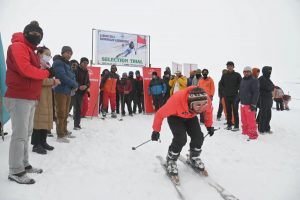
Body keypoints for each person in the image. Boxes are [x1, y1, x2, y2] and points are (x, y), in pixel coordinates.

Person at [4, 21, 54, 184]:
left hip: (30, 98)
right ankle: (15, 171)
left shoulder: (30, 50)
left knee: (26, 134)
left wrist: (45, 75)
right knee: (19, 135)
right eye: (33, 33)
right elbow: (25, 69)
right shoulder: (18, 46)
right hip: (19, 97)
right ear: (26, 33)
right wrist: (45, 73)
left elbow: (34, 73)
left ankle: (24, 164)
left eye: (39, 35)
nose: (36, 36)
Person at [151, 86, 214, 176]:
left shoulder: (205, 99)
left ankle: (194, 157)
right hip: (175, 117)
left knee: (198, 137)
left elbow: (208, 112)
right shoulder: (175, 102)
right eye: (198, 105)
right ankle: (171, 159)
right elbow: (159, 114)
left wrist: (209, 126)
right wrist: (156, 131)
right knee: (180, 139)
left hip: (191, 117)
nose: (202, 107)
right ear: (190, 103)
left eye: (204, 104)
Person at [31, 46, 60, 154]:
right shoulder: (36, 64)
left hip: (47, 94)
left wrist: (53, 82)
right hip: (39, 94)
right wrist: (53, 82)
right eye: (46, 54)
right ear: (39, 53)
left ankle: (43, 141)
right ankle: (36, 144)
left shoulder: (47, 65)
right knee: (38, 119)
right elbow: (39, 80)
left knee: (46, 118)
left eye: (49, 55)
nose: (48, 56)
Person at [53, 46, 78, 142]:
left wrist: (74, 84)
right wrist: (74, 84)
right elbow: (62, 76)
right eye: (67, 52)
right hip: (60, 90)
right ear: (62, 53)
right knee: (60, 113)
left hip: (67, 91)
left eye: (71, 53)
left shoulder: (67, 64)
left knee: (66, 113)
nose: (69, 55)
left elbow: (72, 76)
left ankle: (64, 130)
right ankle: (60, 135)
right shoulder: (58, 62)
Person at [220, 61, 242, 131]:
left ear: (233, 67)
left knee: (235, 111)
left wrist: (236, 89)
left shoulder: (237, 75)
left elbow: (241, 84)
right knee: (228, 111)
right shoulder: (224, 75)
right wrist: (224, 92)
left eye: (231, 66)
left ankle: (236, 126)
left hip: (235, 96)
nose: (229, 67)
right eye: (228, 66)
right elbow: (221, 85)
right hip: (227, 96)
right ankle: (229, 125)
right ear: (227, 67)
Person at [239, 67, 259, 140]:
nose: (246, 73)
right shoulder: (243, 80)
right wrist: (238, 100)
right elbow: (240, 91)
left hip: (249, 104)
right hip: (242, 104)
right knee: (244, 120)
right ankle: (246, 132)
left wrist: (253, 104)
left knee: (251, 120)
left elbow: (256, 93)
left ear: (250, 72)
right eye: (245, 71)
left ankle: (253, 135)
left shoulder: (254, 80)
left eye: (248, 71)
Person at [73, 57, 90, 130]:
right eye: (84, 62)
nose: (85, 64)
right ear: (81, 62)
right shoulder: (76, 70)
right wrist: (79, 86)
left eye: (87, 63)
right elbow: (73, 80)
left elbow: (89, 82)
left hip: (82, 93)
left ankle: (77, 124)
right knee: (68, 108)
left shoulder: (86, 71)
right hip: (74, 91)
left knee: (78, 109)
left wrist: (86, 86)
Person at [258, 66, 274, 134]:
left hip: (269, 99)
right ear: (265, 71)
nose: (270, 72)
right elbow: (259, 89)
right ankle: (261, 129)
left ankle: (267, 128)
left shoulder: (268, 79)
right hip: (263, 99)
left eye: (270, 71)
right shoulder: (261, 79)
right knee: (263, 115)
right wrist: (268, 90)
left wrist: (269, 89)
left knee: (268, 115)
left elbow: (272, 87)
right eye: (269, 70)